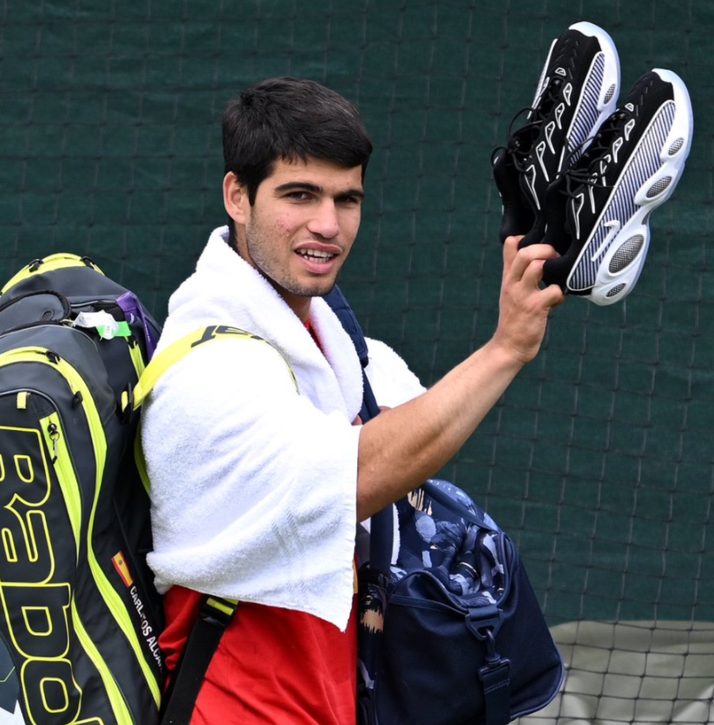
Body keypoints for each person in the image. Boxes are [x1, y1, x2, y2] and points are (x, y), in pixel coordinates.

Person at [139, 76, 564, 725]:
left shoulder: (323, 340)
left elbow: (410, 418)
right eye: (300, 195)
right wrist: (506, 348)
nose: (328, 225)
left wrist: (533, 259)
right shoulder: (212, 372)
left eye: (347, 198)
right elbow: (365, 467)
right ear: (238, 196)